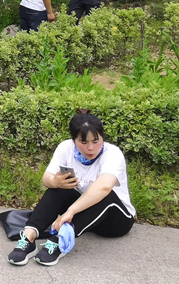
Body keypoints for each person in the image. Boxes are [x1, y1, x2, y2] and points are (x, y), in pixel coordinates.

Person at [8, 111, 135, 266]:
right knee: (60, 188)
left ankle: (58, 241)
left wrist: (70, 211)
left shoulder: (113, 154)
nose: (90, 148)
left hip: (114, 221)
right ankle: (29, 238)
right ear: (74, 140)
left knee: (106, 194)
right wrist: (55, 182)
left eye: (96, 141)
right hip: (83, 217)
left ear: (102, 137)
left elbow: (104, 187)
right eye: (83, 142)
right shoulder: (65, 148)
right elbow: (46, 178)